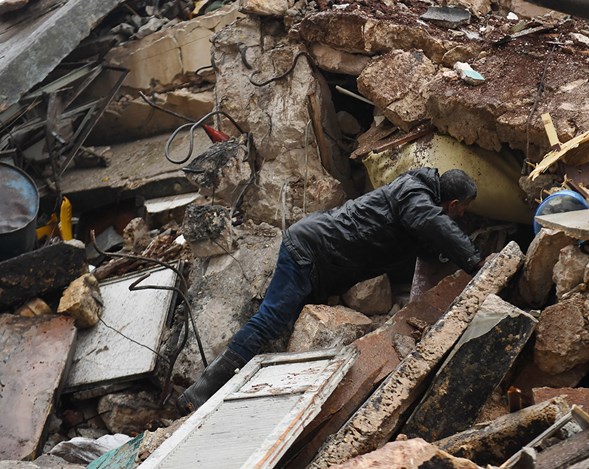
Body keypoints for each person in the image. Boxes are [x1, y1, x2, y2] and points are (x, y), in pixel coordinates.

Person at [178, 167, 483, 411]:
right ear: (453, 204)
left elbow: (429, 239)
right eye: (463, 210)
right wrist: (474, 262)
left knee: (282, 327)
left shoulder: (418, 203)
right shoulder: (415, 196)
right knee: (270, 320)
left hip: (320, 261)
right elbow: (434, 224)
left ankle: (249, 395)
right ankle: (200, 391)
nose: (463, 216)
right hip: (309, 250)